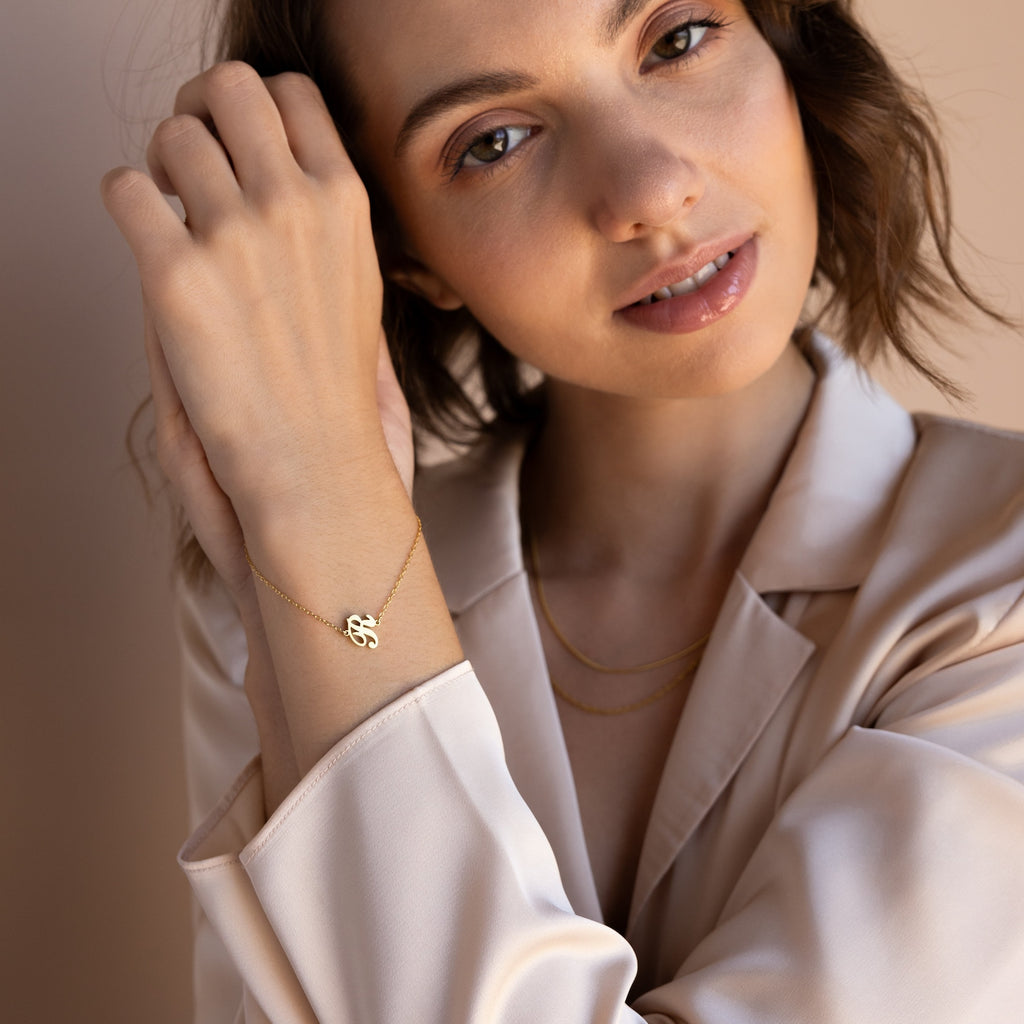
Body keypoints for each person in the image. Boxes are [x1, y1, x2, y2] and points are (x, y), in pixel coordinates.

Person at [102, 0, 1024, 1019]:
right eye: (493, 142)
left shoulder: (1001, 576)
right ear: (393, 248)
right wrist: (318, 517)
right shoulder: (274, 595)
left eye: (677, 39)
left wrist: (325, 526)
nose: (650, 189)